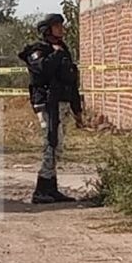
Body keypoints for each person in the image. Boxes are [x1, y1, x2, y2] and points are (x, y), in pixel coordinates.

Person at [19, 14, 82, 205]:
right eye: (57, 26)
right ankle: (41, 189)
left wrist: (77, 110)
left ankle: (51, 188)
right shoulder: (38, 51)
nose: (61, 29)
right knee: (51, 143)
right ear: (47, 30)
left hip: (62, 103)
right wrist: (56, 54)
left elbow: (71, 81)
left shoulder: (63, 50)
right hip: (47, 104)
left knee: (58, 146)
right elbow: (42, 69)